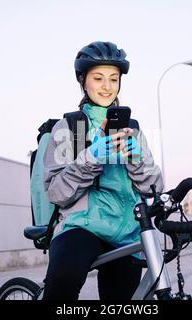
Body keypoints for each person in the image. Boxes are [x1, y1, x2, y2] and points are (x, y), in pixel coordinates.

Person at [42, 41, 163, 300]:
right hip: (81, 227)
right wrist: (92, 157)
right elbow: (56, 192)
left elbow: (154, 188)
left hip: (127, 231)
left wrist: (136, 158)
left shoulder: (133, 130)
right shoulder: (69, 128)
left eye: (113, 79)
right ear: (83, 80)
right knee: (61, 286)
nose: (107, 86)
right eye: (98, 78)